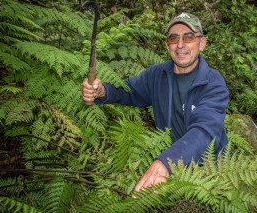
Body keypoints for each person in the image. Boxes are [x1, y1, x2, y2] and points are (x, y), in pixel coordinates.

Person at [82, 12, 229, 192]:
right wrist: (102, 91)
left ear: (202, 43)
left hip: (209, 172)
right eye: (173, 39)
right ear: (167, 46)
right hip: (170, 167)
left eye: (188, 37)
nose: (180, 45)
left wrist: (165, 162)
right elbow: (128, 91)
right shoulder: (157, 75)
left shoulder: (213, 83)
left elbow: (204, 132)